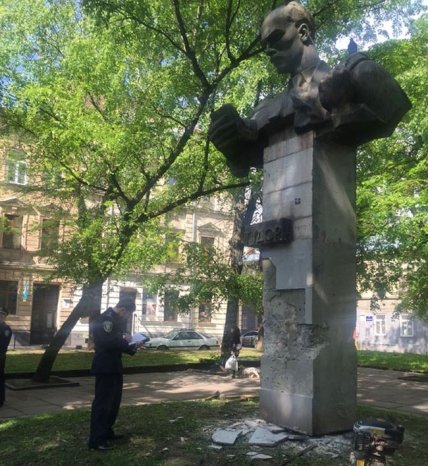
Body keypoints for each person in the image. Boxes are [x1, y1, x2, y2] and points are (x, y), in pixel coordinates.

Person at [208, 1, 411, 176]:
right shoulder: (264, 110)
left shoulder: (358, 73)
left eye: (275, 38)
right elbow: (240, 164)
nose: (268, 50)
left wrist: (342, 108)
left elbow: (387, 108)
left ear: (303, 32)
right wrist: (230, 140)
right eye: (264, 45)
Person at [88, 298, 143, 451]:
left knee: (113, 403)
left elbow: (115, 341)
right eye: (128, 314)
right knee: (103, 404)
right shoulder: (106, 320)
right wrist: (127, 342)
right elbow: (108, 342)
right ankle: (96, 440)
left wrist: (131, 344)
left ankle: (106, 432)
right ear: (123, 310)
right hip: (105, 367)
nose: (127, 317)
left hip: (113, 366)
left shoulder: (113, 320)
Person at [0, 307, 12, 407]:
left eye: (1, 315)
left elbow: (3, 344)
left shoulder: (6, 329)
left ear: (5, 317)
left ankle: (0, 400)